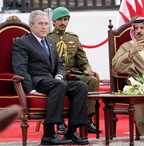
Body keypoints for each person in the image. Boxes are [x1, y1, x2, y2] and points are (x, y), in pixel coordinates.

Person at [12, 10, 89, 145]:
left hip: (53, 80)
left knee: (81, 86)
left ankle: (71, 131)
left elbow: (59, 63)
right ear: (31, 25)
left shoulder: (49, 42)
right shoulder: (22, 43)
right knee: (59, 85)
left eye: (46, 24)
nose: (44, 27)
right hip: (36, 80)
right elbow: (20, 68)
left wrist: (60, 75)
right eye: (40, 24)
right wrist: (29, 89)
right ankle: (48, 134)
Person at [47, 6, 100, 134]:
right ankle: (60, 122)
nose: (63, 22)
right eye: (59, 20)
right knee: (58, 84)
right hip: (56, 74)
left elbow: (83, 60)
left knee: (92, 80)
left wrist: (88, 69)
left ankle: (88, 120)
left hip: (73, 73)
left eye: (65, 19)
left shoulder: (73, 38)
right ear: (53, 22)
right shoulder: (48, 38)